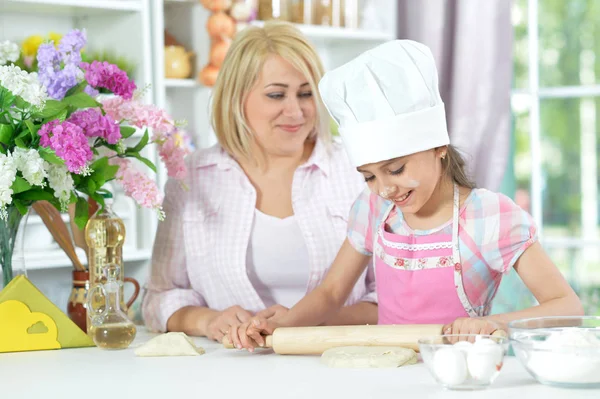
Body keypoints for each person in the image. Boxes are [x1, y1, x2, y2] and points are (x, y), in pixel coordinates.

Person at [232, 39, 584, 351]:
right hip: (385, 369)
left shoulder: (490, 216)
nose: (385, 189)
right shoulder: (373, 208)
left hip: (459, 372)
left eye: (396, 170)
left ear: (438, 148)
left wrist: (493, 325)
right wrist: (281, 325)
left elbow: (567, 306)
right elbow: (330, 293)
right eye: (369, 176)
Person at [141, 21, 378, 343]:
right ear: (237, 98)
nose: (295, 111)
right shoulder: (192, 177)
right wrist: (209, 321)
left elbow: (393, 297)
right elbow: (159, 297)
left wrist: (309, 321)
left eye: (306, 93)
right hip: (230, 370)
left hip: (337, 363)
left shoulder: (358, 172)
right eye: (276, 95)